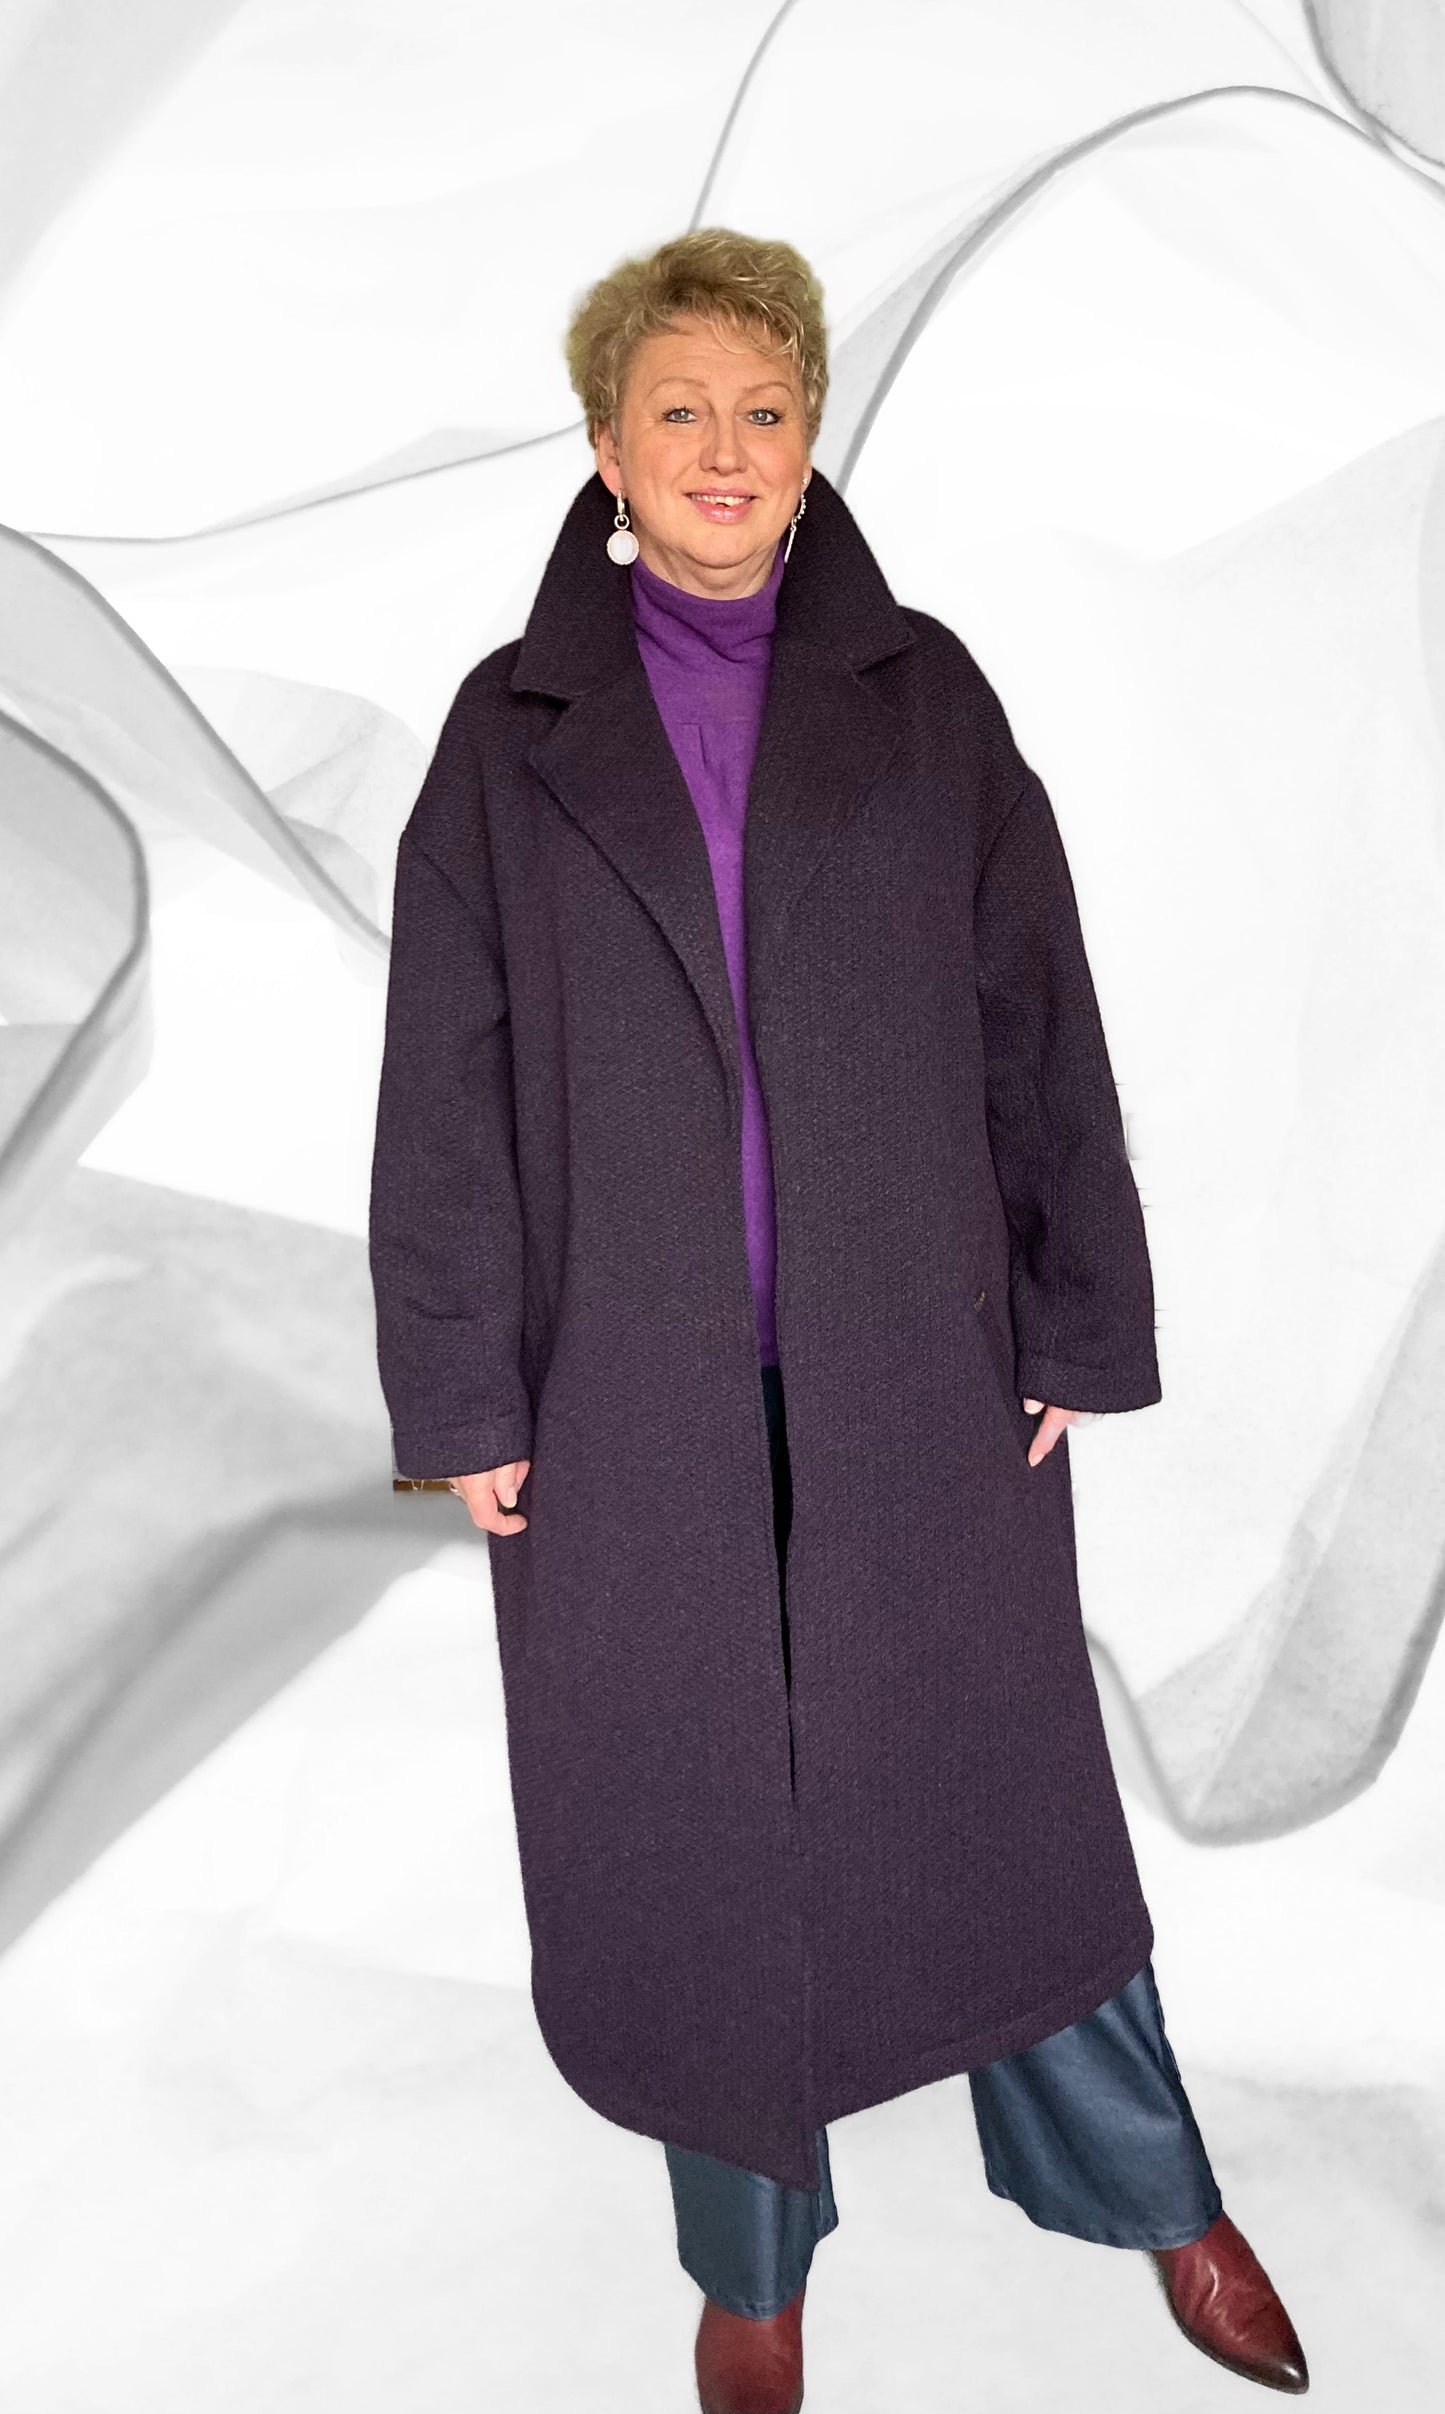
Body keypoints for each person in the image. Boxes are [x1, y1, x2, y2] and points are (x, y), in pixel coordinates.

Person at [367, 229, 1309, 2409]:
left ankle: (1157, 2190)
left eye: (764, 410)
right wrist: (463, 1386)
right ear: (606, 447)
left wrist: (1074, 1318)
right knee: (697, 1834)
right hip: (622, 1390)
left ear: (811, 442)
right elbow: (445, 1082)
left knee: (1001, 1797)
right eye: (678, 411)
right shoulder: (508, 737)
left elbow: (1037, 1016)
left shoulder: (926, 699)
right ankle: (754, 2266)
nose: (724, 449)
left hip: (913, 1366)